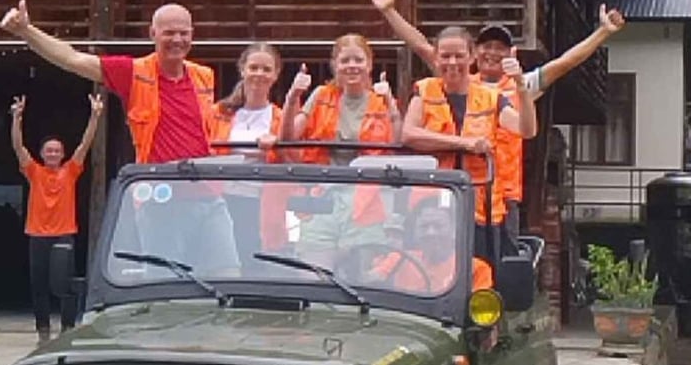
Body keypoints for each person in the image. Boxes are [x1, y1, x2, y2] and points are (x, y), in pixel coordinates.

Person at [0, 0, 238, 273]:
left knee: (228, 274)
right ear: (153, 34)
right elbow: (72, 59)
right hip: (161, 201)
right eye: (169, 32)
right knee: (164, 281)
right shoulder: (134, 73)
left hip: (208, 197)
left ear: (192, 35)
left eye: (184, 33)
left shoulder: (204, 76)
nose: (177, 39)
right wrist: (27, 31)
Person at [369, 0, 625, 227]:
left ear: (512, 53)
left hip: (502, 191)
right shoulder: (457, 76)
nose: (492, 52)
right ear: (474, 53)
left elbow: (564, 63)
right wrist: (389, 11)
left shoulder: (519, 85)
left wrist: (602, 33)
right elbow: (422, 46)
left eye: (500, 48)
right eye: (486, 46)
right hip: (454, 185)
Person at [400, 26, 536, 253]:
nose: (452, 62)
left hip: (480, 207)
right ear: (436, 58)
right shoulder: (424, 91)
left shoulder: (492, 98)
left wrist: (521, 85)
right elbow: (409, 134)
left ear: (471, 57)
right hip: (432, 205)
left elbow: (527, 130)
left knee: (482, 268)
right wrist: (465, 144)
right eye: (445, 56)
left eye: (459, 55)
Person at [277, 34, 401, 266]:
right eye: (345, 60)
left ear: (369, 64)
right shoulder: (321, 95)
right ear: (335, 65)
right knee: (314, 270)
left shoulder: (381, 100)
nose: (352, 66)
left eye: (358, 60)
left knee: (361, 274)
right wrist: (293, 96)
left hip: (366, 201)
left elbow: (397, 147)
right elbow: (287, 138)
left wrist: (391, 103)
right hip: (322, 195)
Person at [10, 92, 104, 342]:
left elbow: (85, 145)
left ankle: (67, 329)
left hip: (63, 234)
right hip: (37, 235)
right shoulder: (34, 171)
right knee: (38, 286)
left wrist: (95, 116)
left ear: (62, 154)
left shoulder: (71, 170)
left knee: (65, 286)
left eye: (57, 151)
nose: (52, 154)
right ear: (42, 154)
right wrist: (17, 119)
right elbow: (18, 147)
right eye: (49, 151)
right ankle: (43, 332)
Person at [210, 42, 284, 260]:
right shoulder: (217, 112)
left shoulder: (280, 117)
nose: (259, 74)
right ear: (242, 70)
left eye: (266, 69)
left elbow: (293, 160)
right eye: (253, 67)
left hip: (260, 202)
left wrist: (277, 144)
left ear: (276, 75)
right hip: (221, 198)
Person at [371, 200, 494, 294]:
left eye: (438, 226)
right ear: (415, 232)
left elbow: (478, 311)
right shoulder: (399, 258)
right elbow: (370, 280)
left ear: (454, 230)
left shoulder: (474, 268)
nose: (431, 233)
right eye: (424, 227)